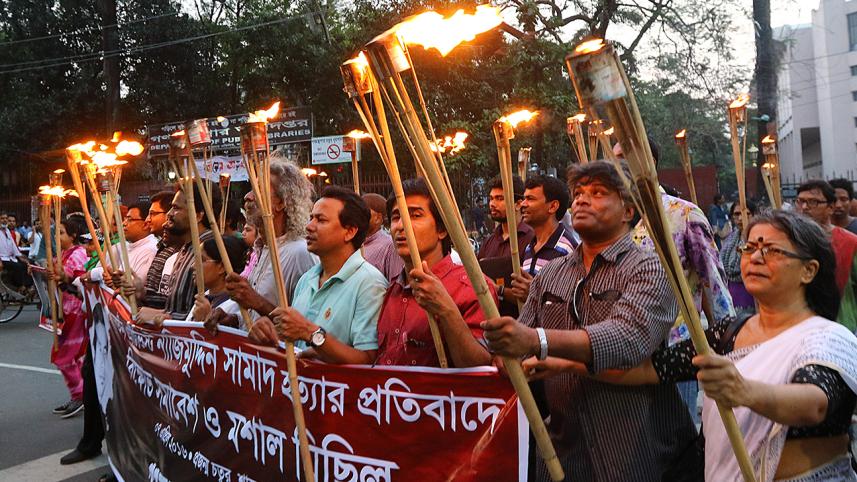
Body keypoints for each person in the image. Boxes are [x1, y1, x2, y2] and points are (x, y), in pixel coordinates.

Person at [552, 211, 857, 480]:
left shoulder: (826, 337)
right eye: (750, 247)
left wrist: (744, 391)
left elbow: (815, 402)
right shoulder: (729, 333)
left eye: (773, 250)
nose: (756, 258)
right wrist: (565, 363)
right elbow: (647, 370)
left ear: (809, 270)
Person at [482, 161, 697, 481]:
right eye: (579, 192)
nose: (582, 199)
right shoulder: (551, 275)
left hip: (639, 452)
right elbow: (518, 351)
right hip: (563, 453)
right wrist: (504, 348)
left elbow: (628, 339)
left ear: (628, 211)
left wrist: (538, 341)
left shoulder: (649, 269)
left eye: (598, 193)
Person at [249, 187, 388, 365]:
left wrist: (311, 333)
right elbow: (294, 344)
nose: (309, 226)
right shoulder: (307, 279)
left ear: (350, 231)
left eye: (320, 220)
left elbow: (368, 360)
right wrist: (271, 335)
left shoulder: (370, 284)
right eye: (311, 218)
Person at [375, 178, 496, 368]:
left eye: (415, 215)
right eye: (396, 217)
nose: (401, 226)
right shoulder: (393, 289)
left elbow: (479, 368)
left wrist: (446, 311)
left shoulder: (474, 288)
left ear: (441, 230)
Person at [207, 156, 318, 331]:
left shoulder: (299, 253)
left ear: (281, 203)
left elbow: (306, 326)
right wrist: (235, 319)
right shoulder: (262, 249)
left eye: (259, 190)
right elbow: (256, 314)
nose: (248, 196)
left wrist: (257, 302)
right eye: (253, 189)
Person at [137, 183, 219, 322]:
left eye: (175, 208)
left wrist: (164, 318)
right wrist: (142, 292)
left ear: (198, 215)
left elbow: (207, 316)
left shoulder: (211, 251)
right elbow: (176, 306)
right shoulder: (185, 249)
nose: (169, 214)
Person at [504, 175, 576, 307]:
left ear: (553, 206)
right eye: (524, 198)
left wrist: (535, 293)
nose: (523, 204)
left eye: (530, 199)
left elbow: (570, 303)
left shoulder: (567, 250)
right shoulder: (530, 247)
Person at [795, 180, 857, 331]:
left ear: (830, 207)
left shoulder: (850, 242)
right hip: (800, 326)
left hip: (842, 324)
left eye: (813, 202)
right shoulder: (790, 241)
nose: (804, 207)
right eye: (800, 201)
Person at [46, 214, 90, 419]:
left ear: (73, 235)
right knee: (70, 357)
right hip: (63, 313)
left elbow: (75, 278)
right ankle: (82, 393)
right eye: (56, 232)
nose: (57, 236)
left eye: (61, 232)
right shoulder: (61, 254)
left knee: (63, 357)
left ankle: (80, 394)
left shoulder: (79, 253)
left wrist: (62, 274)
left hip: (76, 312)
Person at [188, 236, 246, 321]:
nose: (193, 266)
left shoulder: (236, 306)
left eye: (202, 260)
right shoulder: (204, 297)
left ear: (221, 267)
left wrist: (205, 318)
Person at [477, 174, 535, 260]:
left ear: (518, 204)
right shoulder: (489, 242)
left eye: (500, 198)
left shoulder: (532, 239)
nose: (492, 204)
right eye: (491, 198)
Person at [140, 191, 180, 310]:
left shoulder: (179, 252)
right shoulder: (162, 247)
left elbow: (170, 300)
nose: (147, 220)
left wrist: (140, 292)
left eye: (152, 214)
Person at [720, 201, 758, 315]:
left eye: (746, 214)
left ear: (754, 215)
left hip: (751, 293)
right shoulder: (730, 239)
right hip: (732, 292)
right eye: (736, 214)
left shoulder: (758, 238)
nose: (741, 218)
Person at [361, 192, 403, 281]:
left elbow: (395, 284)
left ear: (377, 218)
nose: (358, 215)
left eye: (364, 211)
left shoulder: (390, 246)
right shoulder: (355, 244)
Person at [120, 202, 158, 280]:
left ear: (146, 224)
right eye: (125, 219)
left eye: (129, 219)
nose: (124, 223)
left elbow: (136, 285)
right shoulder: (130, 246)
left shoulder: (150, 250)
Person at [0, 211, 30, 288]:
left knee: (25, 264)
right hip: (2, 258)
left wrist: (20, 256)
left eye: (6, 218)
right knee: (18, 267)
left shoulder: (7, 231)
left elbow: (13, 246)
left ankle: (27, 287)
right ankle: (20, 287)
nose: (5, 220)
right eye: (2, 218)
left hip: (10, 258)